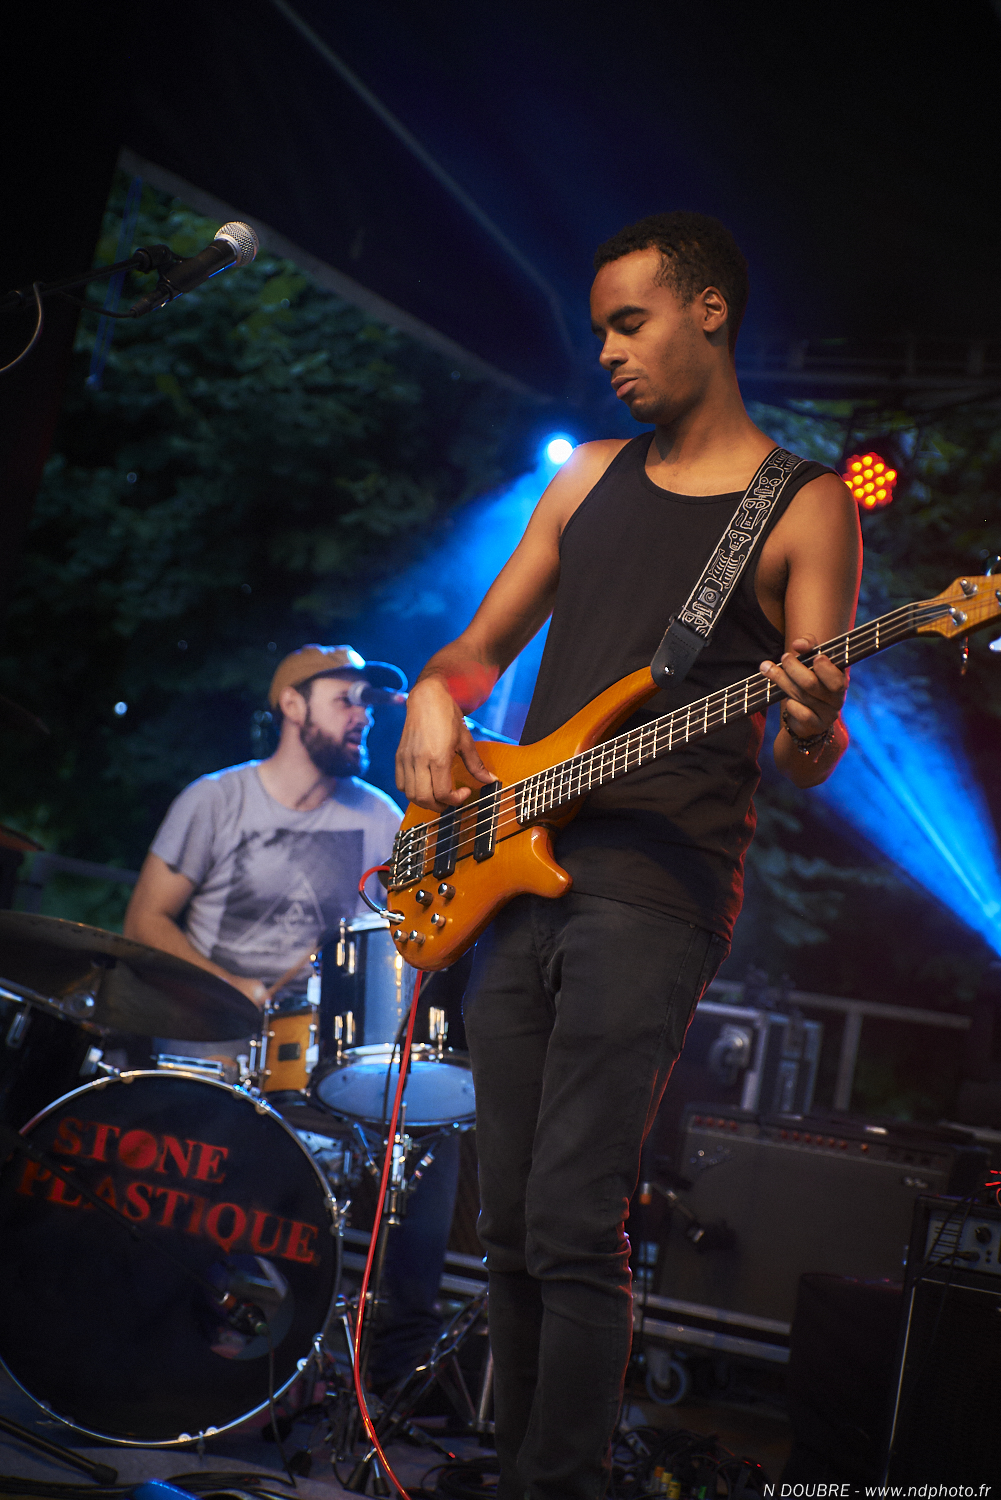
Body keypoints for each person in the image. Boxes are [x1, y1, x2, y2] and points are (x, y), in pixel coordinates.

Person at [394, 212, 862, 1499]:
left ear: (708, 311)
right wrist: (433, 694)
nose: (605, 350)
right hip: (512, 866)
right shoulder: (585, 475)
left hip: (654, 890)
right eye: (598, 328)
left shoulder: (805, 505)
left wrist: (810, 719)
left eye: (629, 321)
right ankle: (517, 1472)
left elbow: (811, 752)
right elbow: (473, 652)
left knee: (569, 1219)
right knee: (503, 1223)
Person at [124, 643, 461, 1388]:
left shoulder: (378, 817)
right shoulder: (216, 799)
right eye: (346, 700)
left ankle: (396, 1365)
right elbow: (144, 920)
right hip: (206, 1046)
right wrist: (234, 988)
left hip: (310, 1054)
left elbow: (403, 938)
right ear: (292, 704)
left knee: (431, 1131)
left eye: (369, 704)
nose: (363, 716)